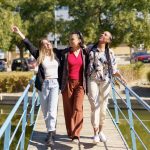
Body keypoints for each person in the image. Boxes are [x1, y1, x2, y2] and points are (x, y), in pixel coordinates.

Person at [12, 26, 61, 146]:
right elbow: (28, 44)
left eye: (48, 43)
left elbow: (70, 50)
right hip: (43, 85)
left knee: (52, 109)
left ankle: (50, 134)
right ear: (41, 46)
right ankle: (50, 129)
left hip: (55, 84)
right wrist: (19, 32)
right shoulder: (39, 54)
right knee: (45, 110)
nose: (46, 45)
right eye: (44, 44)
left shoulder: (56, 54)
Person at [87, 31, 126, 144]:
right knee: (95, 106)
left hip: (106, 82)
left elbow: (114, 69)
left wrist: (121, 78)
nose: (102, 35)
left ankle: (101, 132)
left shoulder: (111, 53)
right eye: (102, 33)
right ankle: (95, 134)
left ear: (108, 40)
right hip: (93, 80)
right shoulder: (90, 48)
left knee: (103, 109)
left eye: (105, 34)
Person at [60, 31, 87, 143]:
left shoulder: (85, 52)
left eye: (73, 39)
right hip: (67, 83)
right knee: (68, 109)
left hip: (80, 84)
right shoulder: (65, 53)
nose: (70, 41)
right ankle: (70, 132)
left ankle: (76, 134)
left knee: (78, 107)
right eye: (70, 39)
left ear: (79, 40)